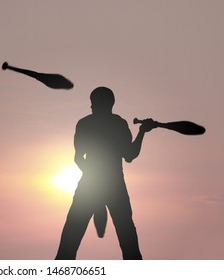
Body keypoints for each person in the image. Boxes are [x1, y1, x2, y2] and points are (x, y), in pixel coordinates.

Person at [55, 86, 156, 260]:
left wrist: (93, 177)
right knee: (128, 241)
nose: (91, 106)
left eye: (93, 103)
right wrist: (142, 132)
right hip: (113, 185)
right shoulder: (118, 124)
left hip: (90, 186)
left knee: (69, 242)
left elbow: (79, 158)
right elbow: (130, 155)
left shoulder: (85, 123)